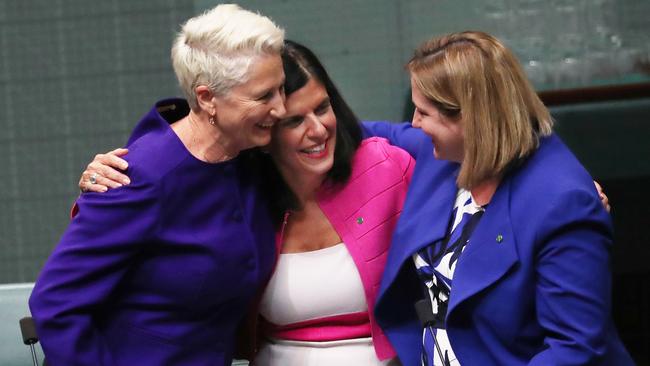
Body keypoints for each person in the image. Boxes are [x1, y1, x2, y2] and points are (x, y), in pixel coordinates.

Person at [76, 40, 413, 365]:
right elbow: (156, 212)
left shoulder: (386, 166)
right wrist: (110, 186)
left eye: (323, 108)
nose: (318, 130)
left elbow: (440, 144)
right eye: (294, 121)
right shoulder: (237, 192)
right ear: (264, 132)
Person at [28, 4, 286, 366]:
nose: (281, 107)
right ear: (207, 97)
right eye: (264, 96)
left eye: (281, 89)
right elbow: (55, 304)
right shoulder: (141, 176)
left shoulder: (248, 154)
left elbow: (338, 139)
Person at [363, 31, 634, 365]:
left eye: (423, 113)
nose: (414, 123)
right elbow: (363, 132)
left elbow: (574, 348)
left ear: (469, 119)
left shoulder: (563, 203)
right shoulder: (444, 155)